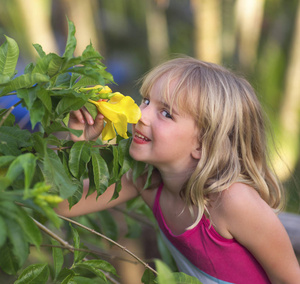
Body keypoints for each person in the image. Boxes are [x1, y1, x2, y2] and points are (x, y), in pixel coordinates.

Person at [57, 57, 300, 283]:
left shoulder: (233, 202)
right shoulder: (146, 181)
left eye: (166, 113)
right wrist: (79, 142)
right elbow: (62, 205)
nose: (141, 115)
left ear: (203, 144)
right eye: (146, 101)